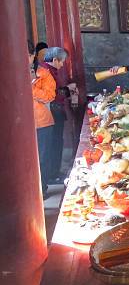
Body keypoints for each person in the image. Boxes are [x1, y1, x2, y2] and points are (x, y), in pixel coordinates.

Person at [29, 41, 56, 199]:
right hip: (22, 125)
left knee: (43, 158)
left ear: (33, 55)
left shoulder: (43, 73)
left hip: (42, 122)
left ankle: (42, 189)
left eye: (28, 55)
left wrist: (31, 86)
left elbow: (49, 96)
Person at [40, 47, 68, 183]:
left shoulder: (48, 70)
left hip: (53, 111)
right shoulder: (45, 73)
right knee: (53, 143)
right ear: (55, 60)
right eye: (61, 61)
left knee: (56, 142)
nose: (62, 64)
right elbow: (53, 95)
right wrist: (67, 91)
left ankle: (54, 172)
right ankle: (52, 175)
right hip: (51, 112)